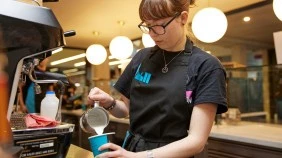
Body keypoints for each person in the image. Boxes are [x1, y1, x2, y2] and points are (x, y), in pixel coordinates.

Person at [88, 0, 228, 157]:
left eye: (160, 25)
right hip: (133, 149)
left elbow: (196, 141)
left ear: (182, 18)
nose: (153, 33)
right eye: (148, 26)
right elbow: (126, 110)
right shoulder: (141, 58)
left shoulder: (206, 66)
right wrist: (110, 103)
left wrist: (137, 157)